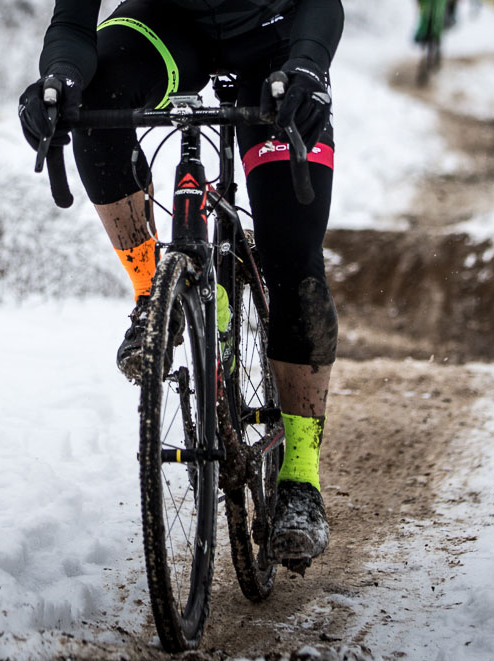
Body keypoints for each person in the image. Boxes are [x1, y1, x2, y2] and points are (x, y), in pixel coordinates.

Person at [18, 0, 343, 563]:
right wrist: (57, 80)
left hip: (275, 38)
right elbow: (72, 22)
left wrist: (309, 65)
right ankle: (153, 294)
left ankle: (300, 480)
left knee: (293, 262)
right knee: (96, 102)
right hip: (169, 27)